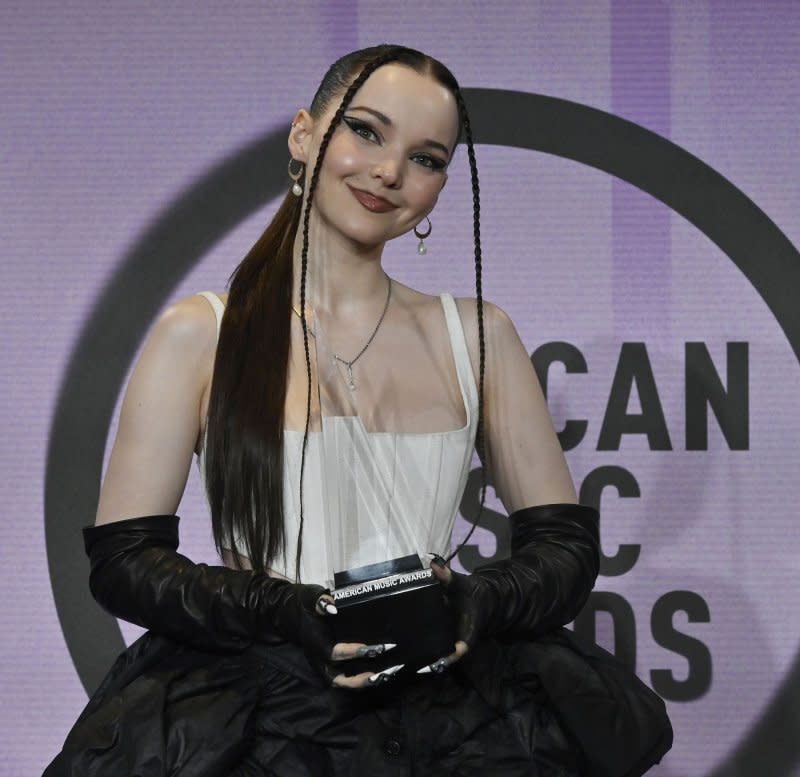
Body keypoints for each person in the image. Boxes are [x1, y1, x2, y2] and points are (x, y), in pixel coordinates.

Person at [44, 44, 671, 776]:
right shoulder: (202, 334)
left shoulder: (478, 335)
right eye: (367, 131)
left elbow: (564, 548)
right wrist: (280, 610)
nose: (389, 172)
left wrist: (478, 600)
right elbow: (124, 562)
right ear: (305, 135)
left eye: (427, 158)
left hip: (455, 713)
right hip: (262, 717)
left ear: (440, 188)